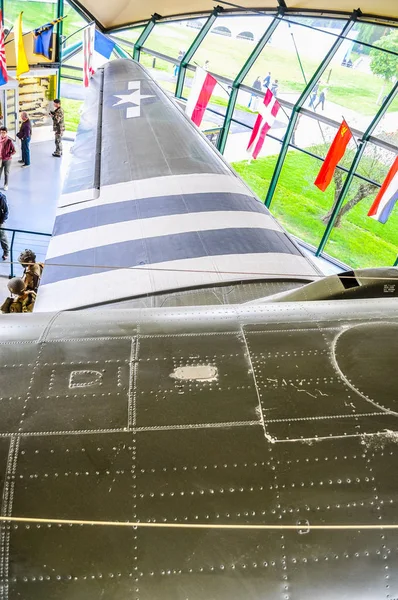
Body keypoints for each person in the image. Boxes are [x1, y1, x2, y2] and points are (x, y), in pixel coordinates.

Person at [0, 191, 8, 261]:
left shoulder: (1, 197)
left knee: (2, 237)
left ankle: (6, 252)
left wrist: (1, 221)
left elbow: (6, 211)